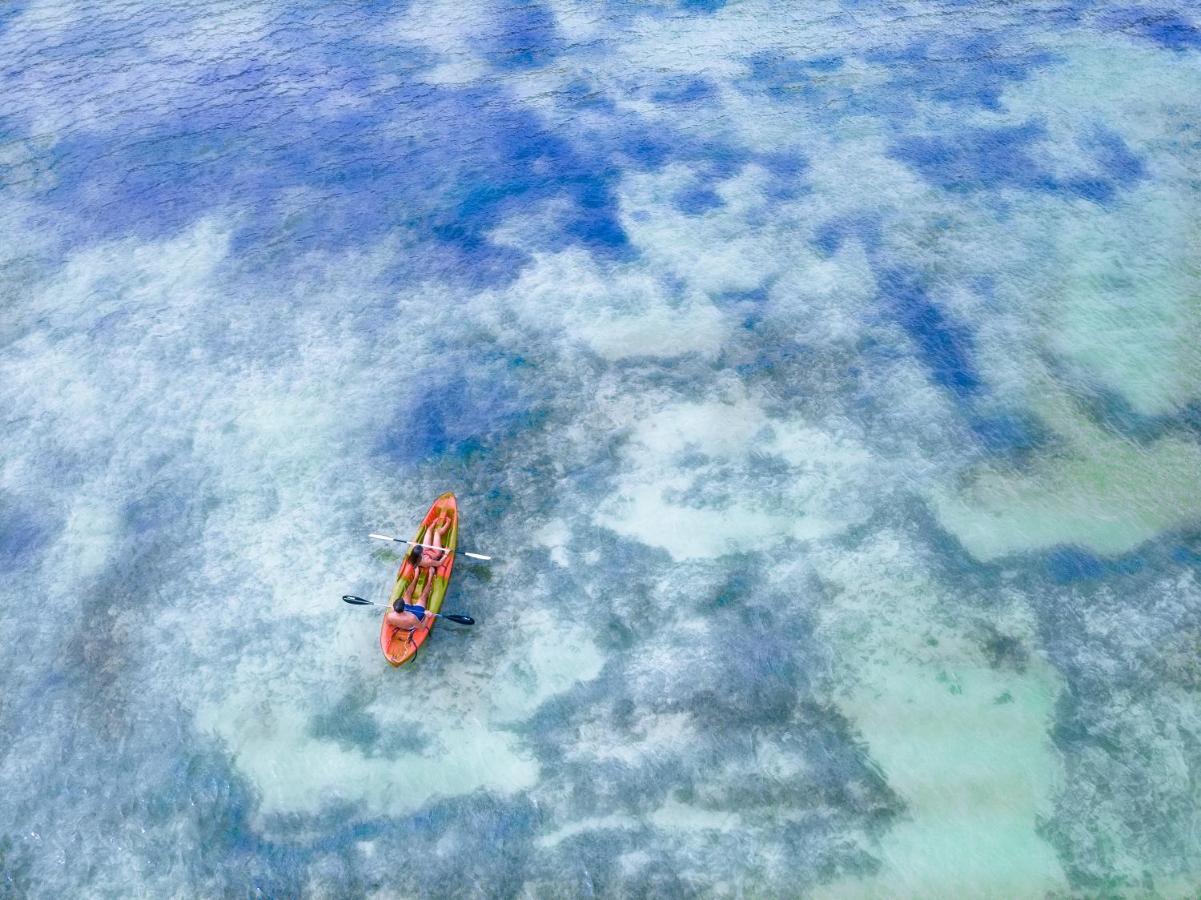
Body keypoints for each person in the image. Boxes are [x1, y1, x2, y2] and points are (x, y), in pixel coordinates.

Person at [383, 516, 452, 641]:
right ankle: (430, 577)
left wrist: (397, 613)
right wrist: (427, 616)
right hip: (414, 616)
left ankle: (415, 576)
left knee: (407, 593)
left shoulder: (389, 616)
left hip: (405, 612)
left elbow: (389, 622)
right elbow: (422, 627)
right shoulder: (412, 618)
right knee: (423, 596)